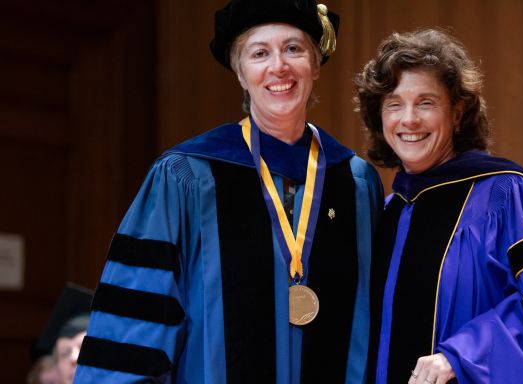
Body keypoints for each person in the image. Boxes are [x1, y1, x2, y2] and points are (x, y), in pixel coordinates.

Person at [74, 0, 383, 383]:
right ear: (240, 73)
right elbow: (137, 322)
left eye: (293, 48)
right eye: (259, 53)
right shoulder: (186, 176)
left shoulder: (355, 182)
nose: (279, 67)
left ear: (315, 65)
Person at [355, 28, 523, 384]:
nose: (409, 120)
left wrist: (463, 355)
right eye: (394, 104)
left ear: (457, 112)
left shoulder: (508, 196)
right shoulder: (386, 213)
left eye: (426, 102)